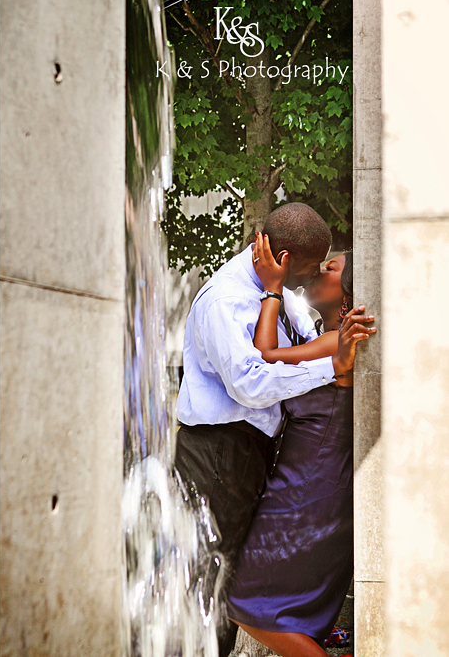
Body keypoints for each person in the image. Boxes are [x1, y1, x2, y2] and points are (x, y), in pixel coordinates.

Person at [173, 202, 358, 656]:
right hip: (216, 454)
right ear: (288, 260)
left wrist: (276, 294)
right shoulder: (225, 299)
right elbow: (250, 382)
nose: (315, 275)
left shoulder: (284, 298)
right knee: (207, 585)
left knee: (228, 585)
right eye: (315, 266)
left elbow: (279, 352)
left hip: (260, 458)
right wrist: (331, 368)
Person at [226, 237, 375, 657]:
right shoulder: (331, 338)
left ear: (346, 297)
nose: (320, 269)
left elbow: (265, 356)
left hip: (311, 484)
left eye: (331, 269)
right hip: (312, 478)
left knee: (249, 605)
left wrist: (273, 288)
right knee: (259, 604)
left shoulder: (338, 342)